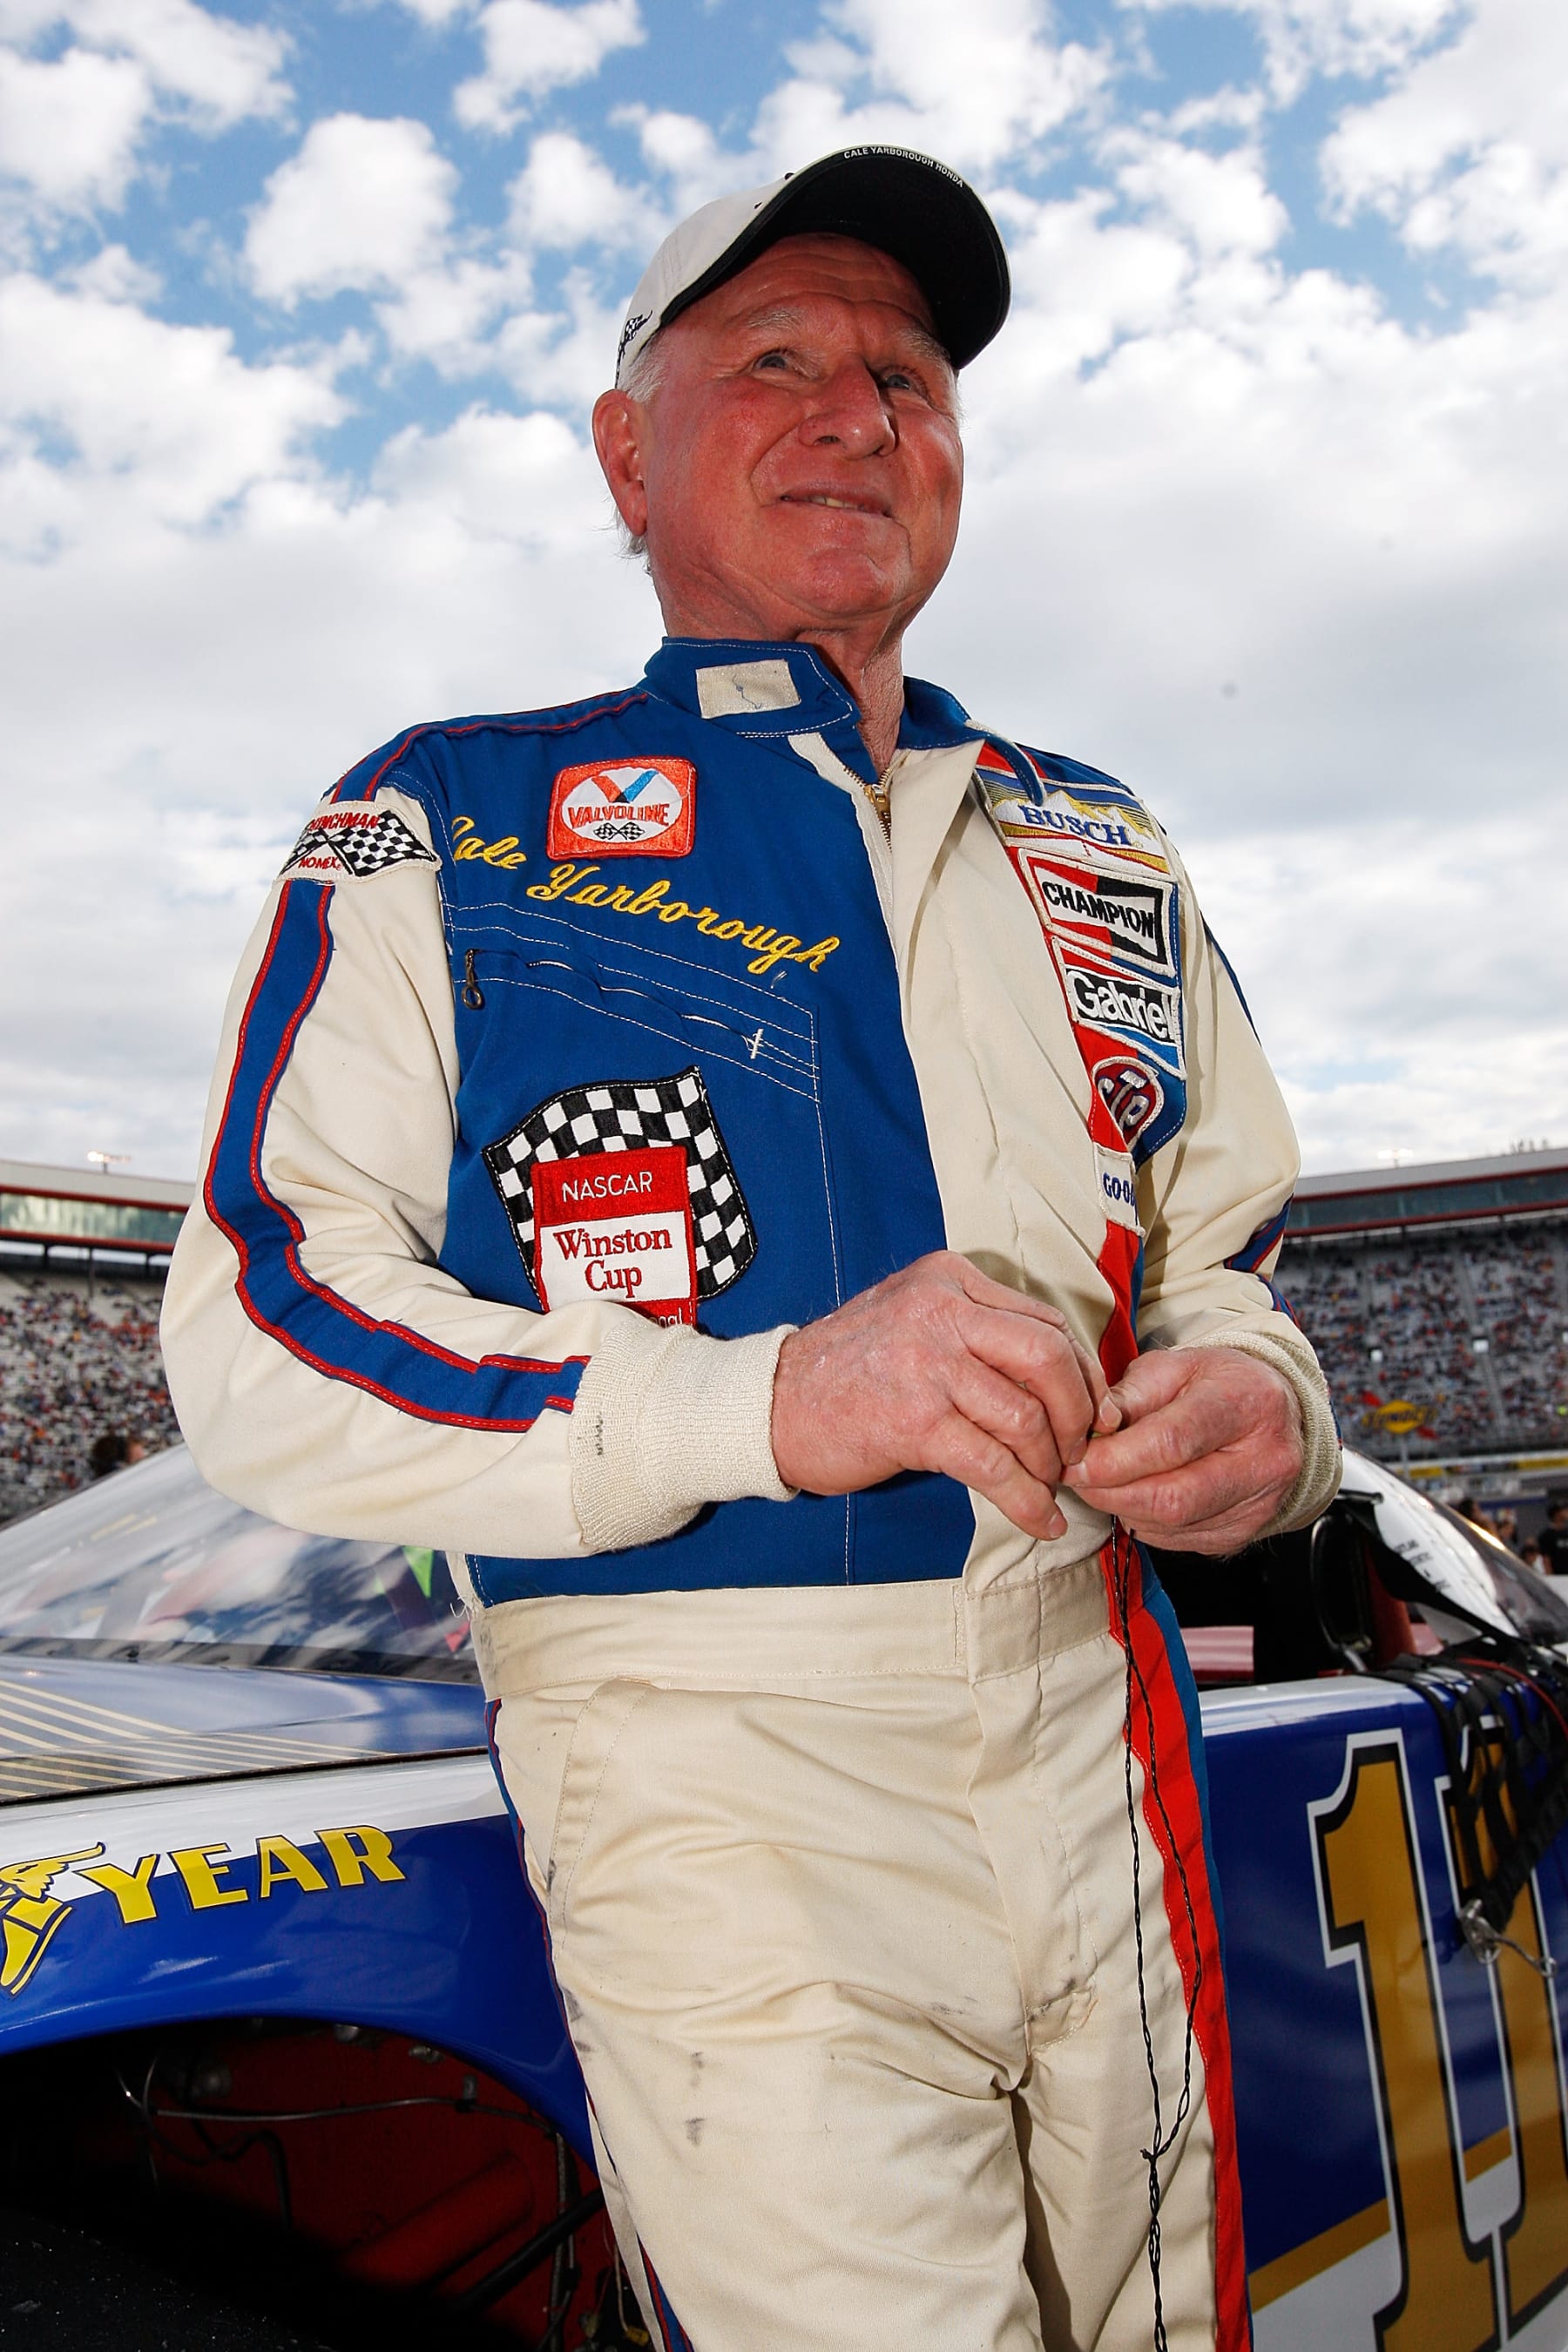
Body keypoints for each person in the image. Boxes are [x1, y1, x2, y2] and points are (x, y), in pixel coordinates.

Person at [163, 147, 1340, 2352]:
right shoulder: (444, 817)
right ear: (628, 448)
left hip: (1106, 1734)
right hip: (713, 1775)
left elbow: (1223, 1259)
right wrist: (763, 1399)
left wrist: (1263, 1408)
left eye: (907, 376)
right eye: (776, 358)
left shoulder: (1097, 837)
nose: (855, 413)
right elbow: (262, 1322)